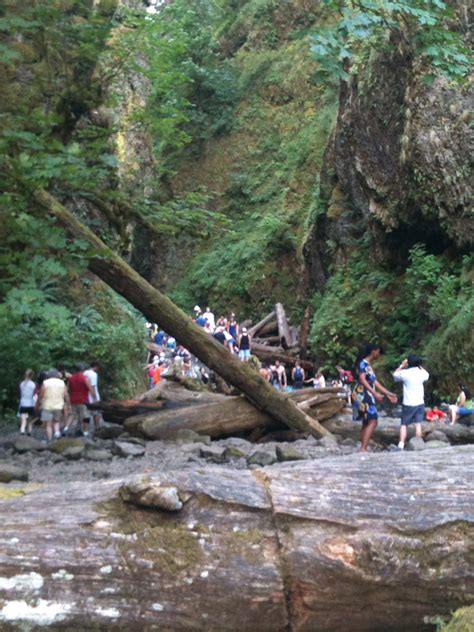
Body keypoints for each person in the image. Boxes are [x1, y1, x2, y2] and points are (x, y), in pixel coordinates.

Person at [354, 343, 397, 452]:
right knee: (373, 421)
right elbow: (362, 379)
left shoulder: (367, 365)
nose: (379, 354)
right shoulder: (363, 363)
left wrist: (388, 393)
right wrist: (374, 393)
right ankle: (363, 448)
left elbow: (375, 382)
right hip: (363, 393)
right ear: (373, 351)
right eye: (378, 351)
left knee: (366, 421)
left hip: (363, 392)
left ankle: (362, 448)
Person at [393, 355, 429, 450]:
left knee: (404, 424)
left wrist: (402, 365)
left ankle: (401, 444)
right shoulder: (422, 373)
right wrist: (419, 365)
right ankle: (418, 443)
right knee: (418, 424)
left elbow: (395, 375)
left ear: (408, 363)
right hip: (420, 402)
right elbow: (427, 374)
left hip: (408, 403)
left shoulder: (404, 373)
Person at [37, 368, 70, 441]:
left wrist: (39, 403)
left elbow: (41, 394)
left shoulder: (45, 382)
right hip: (58, 405)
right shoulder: (62, 382)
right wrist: (68, 404)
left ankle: (49, 439)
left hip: (47, 406)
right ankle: (57, 433)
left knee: (48, 424)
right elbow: (66, 394)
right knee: (56, 421)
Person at [66, 363, 94, 437]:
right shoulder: (85, 378)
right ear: (83, 369)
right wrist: (94, 398)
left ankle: (72, 430)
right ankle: (85, 433)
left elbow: (68, 389)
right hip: (83, 400)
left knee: (75, 416)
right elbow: (90, 388)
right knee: (86, 416)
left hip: (73, 399)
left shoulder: (71, 378)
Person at [84, 361, 102, 431]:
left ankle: (85, 430)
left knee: (86, 414)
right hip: (92, 397)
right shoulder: (94, 374)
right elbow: (93, 386)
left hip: (85, 397)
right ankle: (97, 427)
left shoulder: (84, 373)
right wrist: (95, 397)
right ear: (96, 367)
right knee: (97, 413)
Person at [19, 369, 36, 436]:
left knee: (23, 420)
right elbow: (34, 394)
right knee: (30, 421)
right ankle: (29, 432)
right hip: (30, 404)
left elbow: (21, 393)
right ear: (32, 376)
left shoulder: (22, 384)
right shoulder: (33, 384)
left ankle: (22, 431)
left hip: (23, 403)